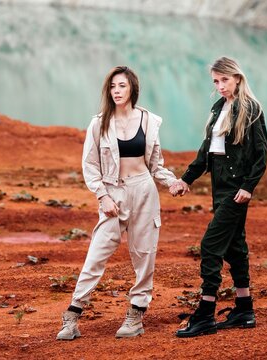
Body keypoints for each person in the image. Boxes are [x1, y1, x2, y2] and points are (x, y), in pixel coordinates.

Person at [56, 66, 181, 340]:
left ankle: (136, 315)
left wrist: (172, 182)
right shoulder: (99, 123)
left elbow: (155, 164)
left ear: (132, 88)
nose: (117, 91)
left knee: (144, 254)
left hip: (144, 190)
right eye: (113, 87)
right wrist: (102, 196)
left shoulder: (149, 121)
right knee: (97, 252)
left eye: (122, 86)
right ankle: (72, 317)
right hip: (113, 193)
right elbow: (90, 165)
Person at [174, 56, 267, 337]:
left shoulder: (251, 109)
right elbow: (207, 152)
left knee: (211, 245)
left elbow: (261, 154)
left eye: (224, 80)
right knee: (234, 247)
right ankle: (244, 308)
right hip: (221, 187)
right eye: (215, 81)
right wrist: (186, 179)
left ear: (237, 77)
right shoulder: (219, 107)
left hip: (236, 190)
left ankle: (205, 313)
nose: (220, 86)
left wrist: (249, 187)